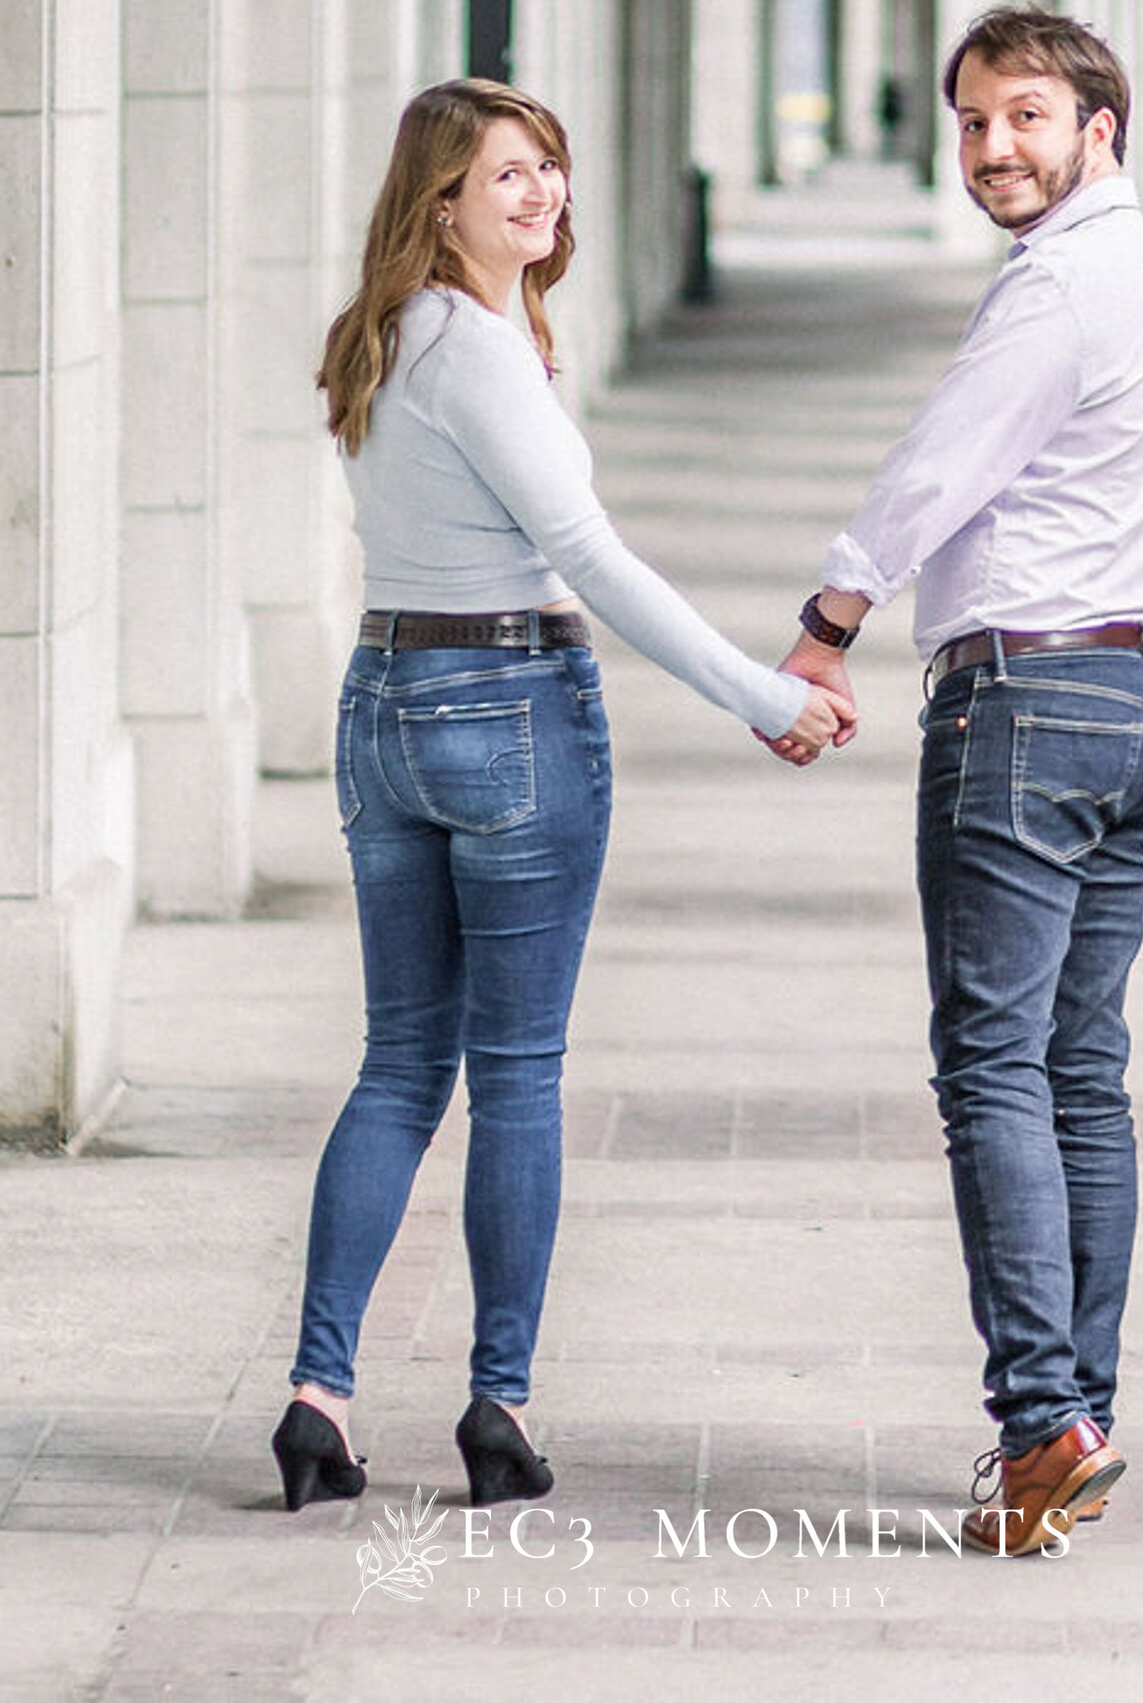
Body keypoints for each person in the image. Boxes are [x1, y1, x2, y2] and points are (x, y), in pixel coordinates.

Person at [275, 78, 841, 1516]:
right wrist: (761, 693)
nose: (540, 194)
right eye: (503, 174)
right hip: (508, 710)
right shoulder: (476, 354)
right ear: (440, 200)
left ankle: (318, 1399)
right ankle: (499, 1404)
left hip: (387, 702)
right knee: (513, 1069)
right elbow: (589, 560)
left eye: (549, 169)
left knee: (400, 1062)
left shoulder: (384, 337)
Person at [771, 5, 1143, 1559]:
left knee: (996, 1068)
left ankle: (1039, 1428)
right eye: (971, 123)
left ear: (1103, 124)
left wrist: (828, 619)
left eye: (1026, 115)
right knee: (1077, 1067)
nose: (994, 148)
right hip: (1142, 693)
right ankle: (1075, 1417)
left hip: (1027, 702)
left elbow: (940, 462)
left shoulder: (1063, 288)